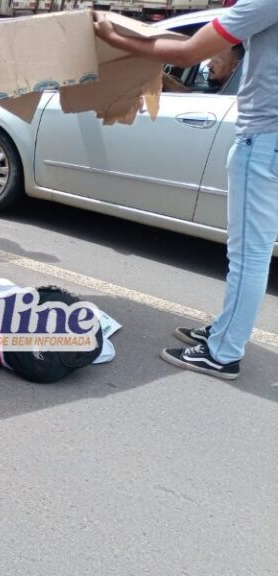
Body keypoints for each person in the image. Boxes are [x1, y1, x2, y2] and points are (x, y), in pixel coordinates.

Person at [95, 2, 277, 380]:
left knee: (249, 255)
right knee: (250, 251)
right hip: (268, 140)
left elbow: (190, 52)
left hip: (264, 141)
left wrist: (116, 39)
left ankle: (223, 353)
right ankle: (225, 332)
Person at [161, 44, 243, 93]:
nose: (209, 65)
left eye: (216, 61)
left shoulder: (234, 96)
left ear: (235, 66)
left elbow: (189, 101)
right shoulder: (222, 91)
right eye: (211, 60)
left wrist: (162, 77)